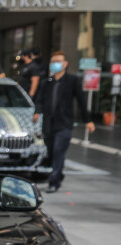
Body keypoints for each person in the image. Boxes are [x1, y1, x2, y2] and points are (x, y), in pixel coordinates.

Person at [32, 50, 95, 193]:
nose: (55, 64)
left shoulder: (72, 81)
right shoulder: (46, 82)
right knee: (52, 152)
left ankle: (53, 182)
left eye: (58, 61)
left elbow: (81, 101)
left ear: (65, 64)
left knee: (59, 151)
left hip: (64, 124)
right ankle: (58, 175)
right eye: (53, 62)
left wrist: (88, 121)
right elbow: (40, 100)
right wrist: (37, 112)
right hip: (48, 124)